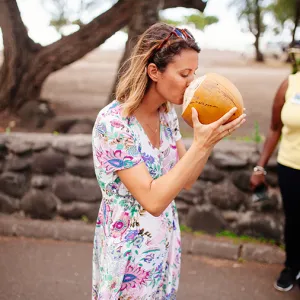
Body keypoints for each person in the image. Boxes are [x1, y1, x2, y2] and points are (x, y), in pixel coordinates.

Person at [91, 22, 246, 299]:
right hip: (128, 247)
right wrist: (201, 144)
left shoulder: (167, 114)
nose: (193, 83)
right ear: (154, 72)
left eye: (195, 73)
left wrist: (207, 142)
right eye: (185, 73)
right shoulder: (113, 124)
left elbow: (187, 180)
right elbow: (152, 201)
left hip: (163, 239)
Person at [250, 44, 300, 292]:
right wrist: (260, 167)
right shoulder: (289, 85)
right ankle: (291, 266)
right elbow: (274, 128)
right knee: (293, 220)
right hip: (291, 165)